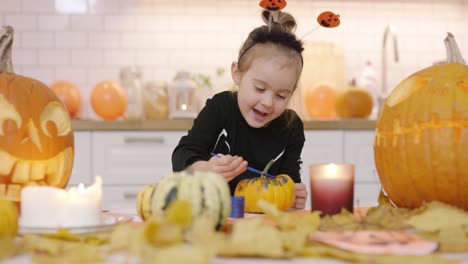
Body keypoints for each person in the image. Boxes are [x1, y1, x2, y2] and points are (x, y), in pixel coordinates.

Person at [172, 10, 307, 210]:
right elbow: (182, 155)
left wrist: (294, 195)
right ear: (237, 74)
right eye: (260, 89)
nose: (268, 102)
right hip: (213, 214)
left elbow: (289, 179)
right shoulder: (221, 107)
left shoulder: (292, 126)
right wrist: (206, 168)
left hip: (263, 222)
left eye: (281, 95)